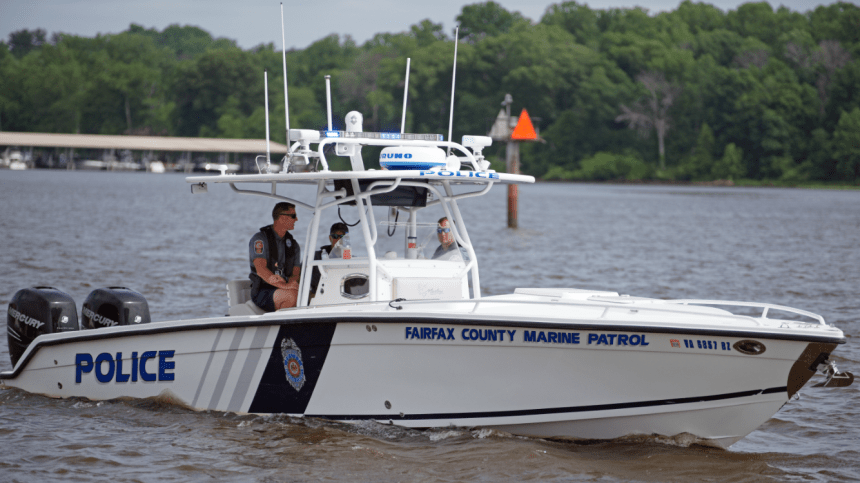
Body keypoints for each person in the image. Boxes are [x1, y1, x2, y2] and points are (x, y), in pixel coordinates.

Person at [249, 202, 302, 311]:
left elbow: (296, 274)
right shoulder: (260, 239)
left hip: (284, 287)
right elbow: (261, 270)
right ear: (282, 217)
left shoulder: (294, 245)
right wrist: (285, 286)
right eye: (293, 216)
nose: (296, 219)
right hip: (262, 290)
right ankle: (284, 327)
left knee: (308, 295)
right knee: (291, 296)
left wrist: (290, 282)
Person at [309, 223, 349, 298]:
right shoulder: (315, 257)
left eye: (342, 237)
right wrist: (309, 294)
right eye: (335, 236)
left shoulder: (351, 260)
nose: (338, 240)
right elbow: (300, 277)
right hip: (318, 298)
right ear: (330, 238)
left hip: (341, 298)